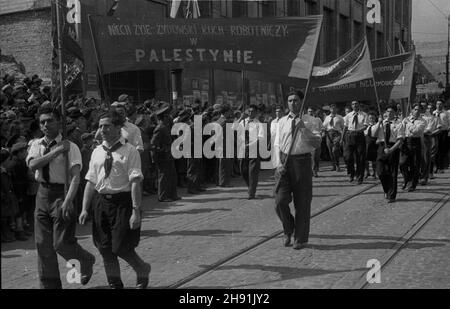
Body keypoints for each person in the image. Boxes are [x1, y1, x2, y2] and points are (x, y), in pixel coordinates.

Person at [79, 109, 150, 289]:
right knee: (104, 247)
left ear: (118, 128)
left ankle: (142, 269)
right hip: (101, 203)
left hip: (123, 203)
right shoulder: (96, 152)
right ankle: (114, 283)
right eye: (101, 126)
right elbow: (90, 181)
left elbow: (135, 182)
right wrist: (84, 208)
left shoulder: (130, 151)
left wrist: (136, 211)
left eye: (107, 126)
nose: (103, 130)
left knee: (120, 247)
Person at [26, 106, 95, 289]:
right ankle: (50, 286)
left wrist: (68, 201)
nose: (46, 125)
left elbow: (75, 178)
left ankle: (85, 259)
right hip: (42, 194)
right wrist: (55, 152)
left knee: (61, 243)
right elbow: (33, 165)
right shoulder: (36, 144)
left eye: (50, 120)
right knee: (43, 245)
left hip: (62, 194)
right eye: (42, 122)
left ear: (59, 122)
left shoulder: (70, 147)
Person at [273, 90, 321, 250]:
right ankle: (288, 228)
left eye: (295, 100)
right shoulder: (281, 122)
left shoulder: (311, 121)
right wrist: (278, 163)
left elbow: (316, 143)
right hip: (284, 162)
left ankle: (300, 238)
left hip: (302, 162)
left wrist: (303, 129)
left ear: (302, 102)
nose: (293, 103)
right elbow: (277, 144)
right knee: (280, 201)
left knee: (302, 203)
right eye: (290, 100)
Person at [373, 104, 405, 203]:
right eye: (387, 111)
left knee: (392, 173)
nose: (389, 113)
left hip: (393, 147)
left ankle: (392, 195)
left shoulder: (399, 124)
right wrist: (378, 123)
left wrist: (391, 150)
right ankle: (387, 189)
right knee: (380, 171)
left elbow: (400, 140)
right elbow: (373, 134)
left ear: (395, 113)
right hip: (382, 147)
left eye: (391, 111)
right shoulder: (381, 123)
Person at [151, 102, 179, 202]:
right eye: (168, 116)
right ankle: (163, 196)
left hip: (169, 155)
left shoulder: (166, 127)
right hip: (163, 157)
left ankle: (172, 194)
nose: (170, 118)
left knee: (172, 175)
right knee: (163, 176)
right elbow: (153, 144)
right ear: (164, 117)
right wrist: (163, 150)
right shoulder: (160, 128)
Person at [240, 104, 265, 199]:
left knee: (252, 172)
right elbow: (232, 129)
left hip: (253, 149)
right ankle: (250, 186)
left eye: (253, 111)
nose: (250, 113)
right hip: (243, 149)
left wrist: (250, 145)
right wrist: (240, 119)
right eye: (249, 111)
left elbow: (260, 137)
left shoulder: (258, 124)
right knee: (243, 170)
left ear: (256, 112)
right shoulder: (243, 121)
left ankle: (251, 193)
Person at [400, 104, 426, 192]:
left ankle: (413, 184)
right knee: (402, 162)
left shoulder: (422, 121)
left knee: (415, 165)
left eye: (419, 110)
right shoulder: (406, 119)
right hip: (406, 142)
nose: (417, 111)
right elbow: (401, 130)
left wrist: (409, 123)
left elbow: (416, 131)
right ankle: (406, 179)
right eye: (415, 109)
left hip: (416, 142)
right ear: (412, 110)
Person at [343, 101, 368, 184]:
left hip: (359, 135)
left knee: (360, 157)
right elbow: (345, 127)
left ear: (359, 105)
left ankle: (359, 177)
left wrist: (358, 130)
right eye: (353, 104)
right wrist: (342, 138)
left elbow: (365, 126)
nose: (355, 105)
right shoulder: (348, 115)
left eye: (356, 104)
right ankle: (351, 174)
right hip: (349, 136)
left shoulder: (364, 114)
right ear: (351, 106)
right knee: (348, 157)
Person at [323, 104, 345, 172]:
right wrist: (323, 132)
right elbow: (324, 126)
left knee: (335, 150)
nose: (333, 110)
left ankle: (337, 165)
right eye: (332, 109)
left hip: (337, 134)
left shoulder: (340, 117)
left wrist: (342, 137)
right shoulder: (327, 117)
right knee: (330, 151)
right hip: (329, 134)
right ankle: (333, 165)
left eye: (335, 108)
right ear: (330, 109)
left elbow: (343, 127)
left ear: (336, 109)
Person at [303, 107, 323, 178]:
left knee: (316, 156)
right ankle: (313, 171)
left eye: (311, 111)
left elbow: (321, 128)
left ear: (314, 112)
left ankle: (315, 168)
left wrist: (320, 134)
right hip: (308, 138)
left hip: (316, 137)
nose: (310, 112)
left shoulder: (318, 119)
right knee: (312, 155)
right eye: (309, 111)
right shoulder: (304, 119)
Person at [434, 100, 449, 173]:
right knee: (435, 150)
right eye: (437, 104)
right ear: (436, 105)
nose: (439, 105)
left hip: (443, 132)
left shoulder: (446, 113)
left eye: (440, 104)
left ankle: (441, 167)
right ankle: (436, 166)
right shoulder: (433, 113)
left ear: (443, 105)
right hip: (435, 132)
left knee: (442, 149)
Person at [364, 112, 379, 179]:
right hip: (367, 143)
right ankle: (367, 172)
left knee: (374, 160)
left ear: (375, 118)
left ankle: (375, 173)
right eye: (370, 118)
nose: (371, 119)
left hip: (374, 143)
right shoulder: (366, 126)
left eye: (373, 118)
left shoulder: (377, 125)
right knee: (365, 159)